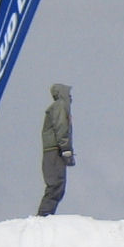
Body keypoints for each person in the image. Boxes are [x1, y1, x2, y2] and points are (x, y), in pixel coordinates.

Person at [37, 83, 75, 216]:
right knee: (56, 184)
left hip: (54, 150)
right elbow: (61, 127)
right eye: (68, 94)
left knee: (58, 185)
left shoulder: (59, 107)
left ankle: (46, 214)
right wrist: (66, 148)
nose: (71, 98)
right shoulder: (60, 106)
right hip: (55, 150)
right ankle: (44, 215)